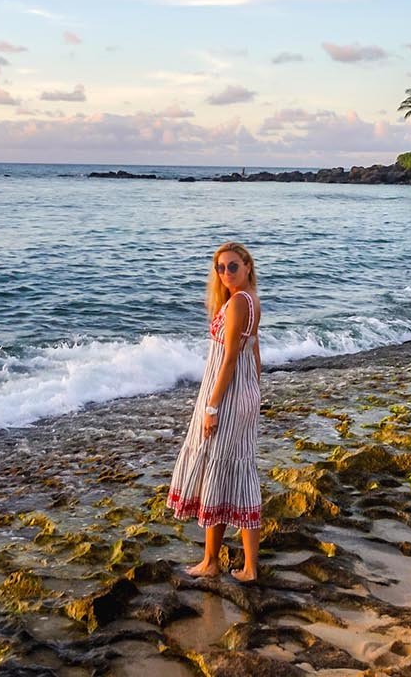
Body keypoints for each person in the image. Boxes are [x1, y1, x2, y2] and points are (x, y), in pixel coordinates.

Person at [168, 241, 263, 582]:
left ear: (247, 266)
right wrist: (253, 390)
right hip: (243, 393)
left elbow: (230, 359)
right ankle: (218, 561)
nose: (225, 273)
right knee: (230, 472)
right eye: (220, 268)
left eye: (232, 266)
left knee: (222, 470)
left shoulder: (238, 303)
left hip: (228, 396)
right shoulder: (250, 300)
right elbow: (255, 354)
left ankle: (230, 565)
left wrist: (212, 405)